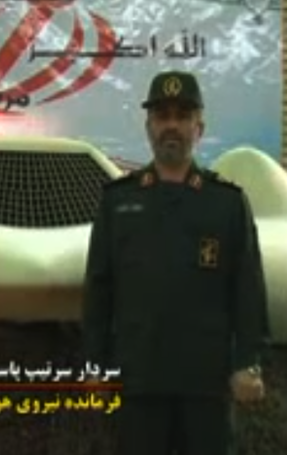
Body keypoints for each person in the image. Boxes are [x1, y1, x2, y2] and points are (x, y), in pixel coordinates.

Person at [81, 70, 270, 455]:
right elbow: (99, 287)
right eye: (162, 116)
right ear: (148, 127)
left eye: (182, 116)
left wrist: (248, 362)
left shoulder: (227, 202)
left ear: (199, 128)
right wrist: (95, 362)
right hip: (139, 381)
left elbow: (248, 289)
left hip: (207, 385)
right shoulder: (118, 201)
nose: (172, 125)